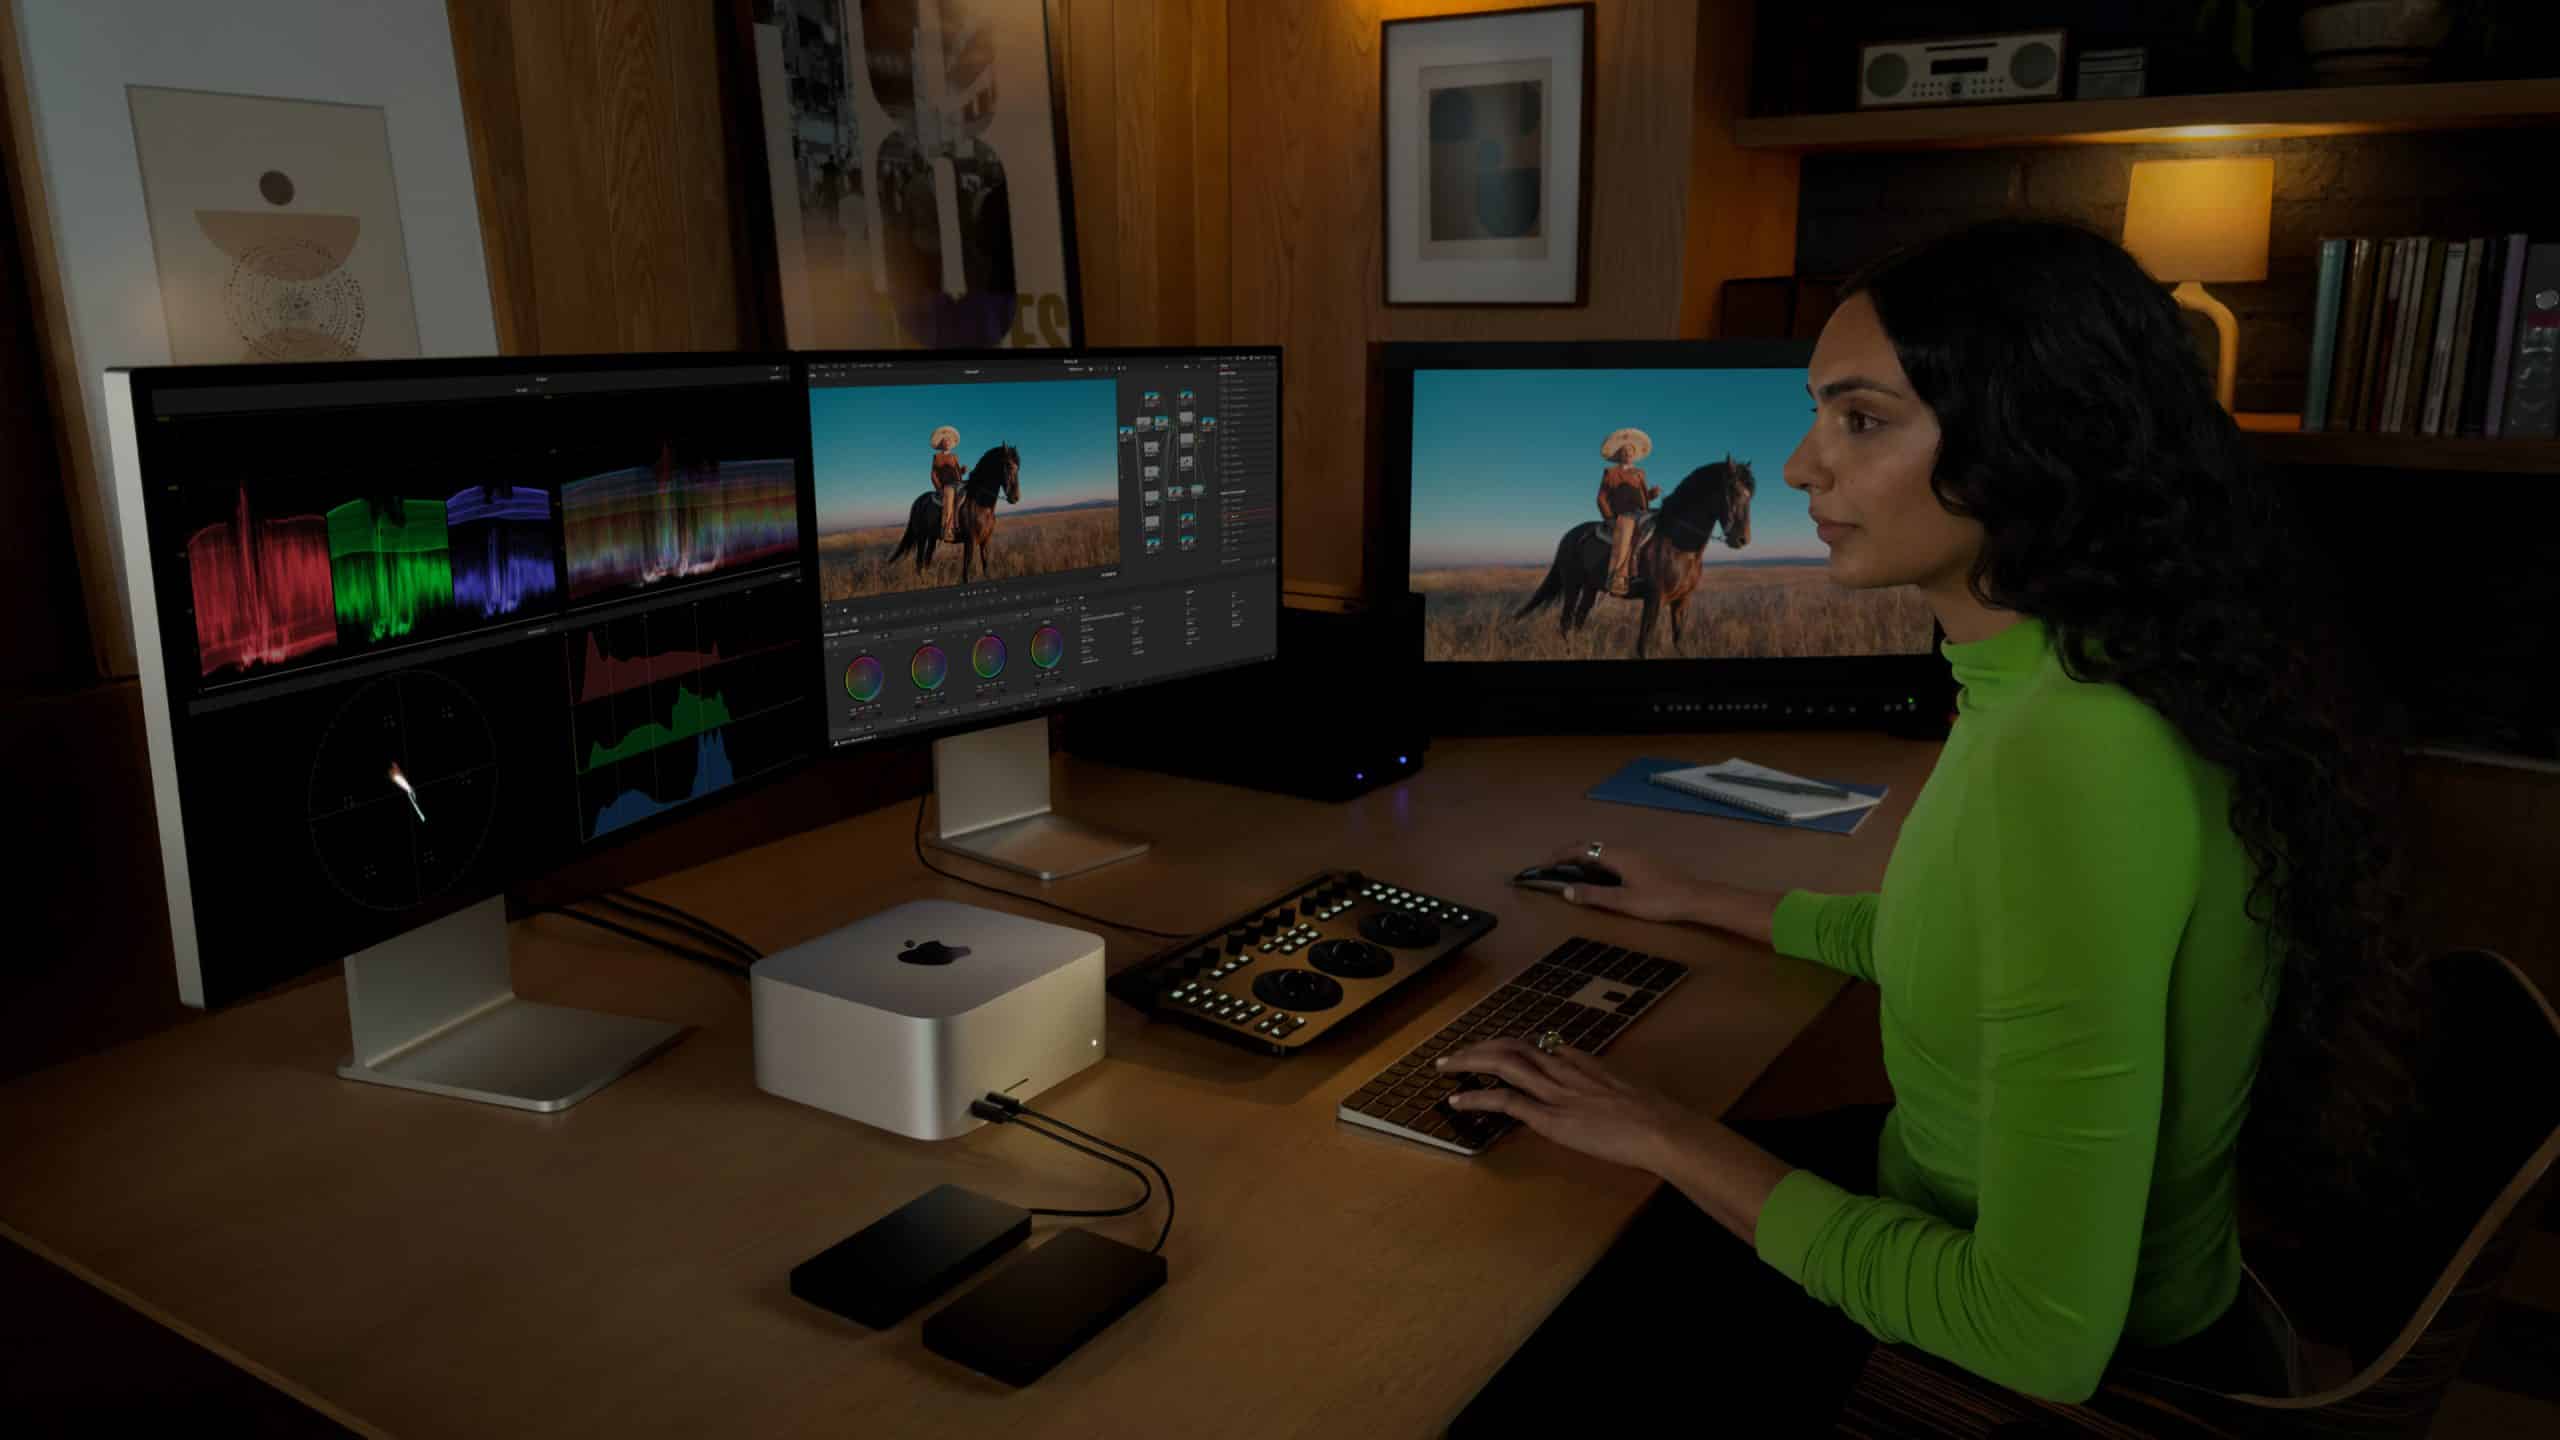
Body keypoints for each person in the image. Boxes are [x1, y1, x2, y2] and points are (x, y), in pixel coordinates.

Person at [1442, 219, 2429, 1430]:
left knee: (1499, 1311)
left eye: (1859, 420)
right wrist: (1700, 900)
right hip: (1982, 1217)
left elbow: (2034, 1334)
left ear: (2035, 438)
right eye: (1818, 416)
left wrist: (1656, 1128)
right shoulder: (2067, 670)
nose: (1803, 467)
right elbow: (1970, 952)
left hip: (2043, 1368)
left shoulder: (2071, 757)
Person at [1596, 427, 1657, 596]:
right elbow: (1601, 498)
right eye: (1625, 450)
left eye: (1631, 450)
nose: (1628, 453)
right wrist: (1609, 518)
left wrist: (1652, 494)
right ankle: (1617, 579)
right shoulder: (1611, 473)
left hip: (1642, 512)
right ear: (1619, 455)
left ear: (1634, 454)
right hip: (1623, 514)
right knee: (1625, 533)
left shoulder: (1640, 473)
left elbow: (1644, 498)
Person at [929, 425, 964, 542]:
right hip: (947, 485)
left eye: (949, 441)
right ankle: (947, 531)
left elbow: (958, 472)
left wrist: (962, 470)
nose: (947, 442)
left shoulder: (955, 456)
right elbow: (933, 474)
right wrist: (939, 488)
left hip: (958, 482)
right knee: (949, 499)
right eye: (945, 441)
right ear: (941, 444)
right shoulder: (937, 457)